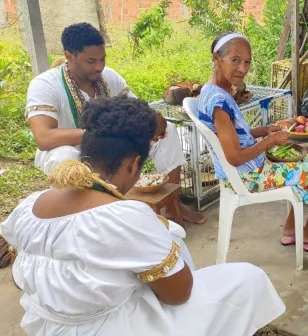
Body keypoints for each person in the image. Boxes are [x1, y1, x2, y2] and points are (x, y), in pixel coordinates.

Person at [0, 96, 286, 335]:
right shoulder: (125, 216)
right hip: (108, 328)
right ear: (133, 164)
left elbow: (20, 280)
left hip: (47, 328)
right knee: (247, 278)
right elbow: (178, 295)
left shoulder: (28, 206)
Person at [25, 22, 205, 225]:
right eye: (91, 61)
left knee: (169, 131)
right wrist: (101, 134)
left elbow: (138, 112)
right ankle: (80, 220)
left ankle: (173, 204)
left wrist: (154, 122)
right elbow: (44, 138)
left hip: (111, 142)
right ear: (69, 56)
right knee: (66, 157)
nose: (99, 66)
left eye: (102, 59)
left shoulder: (108, 77)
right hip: (66, 147)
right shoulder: (45, 84)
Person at [197, 32, 308, 251]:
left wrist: (263, 130)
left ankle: (292, 228)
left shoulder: (211, 90)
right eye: (235, 60)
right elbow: (234, 157)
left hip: (247, 168)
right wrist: (270, 141)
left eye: (247, 62)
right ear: (217, 58)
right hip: (247, 176)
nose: (242, 69)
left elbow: (235, 136)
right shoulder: (218, 103)